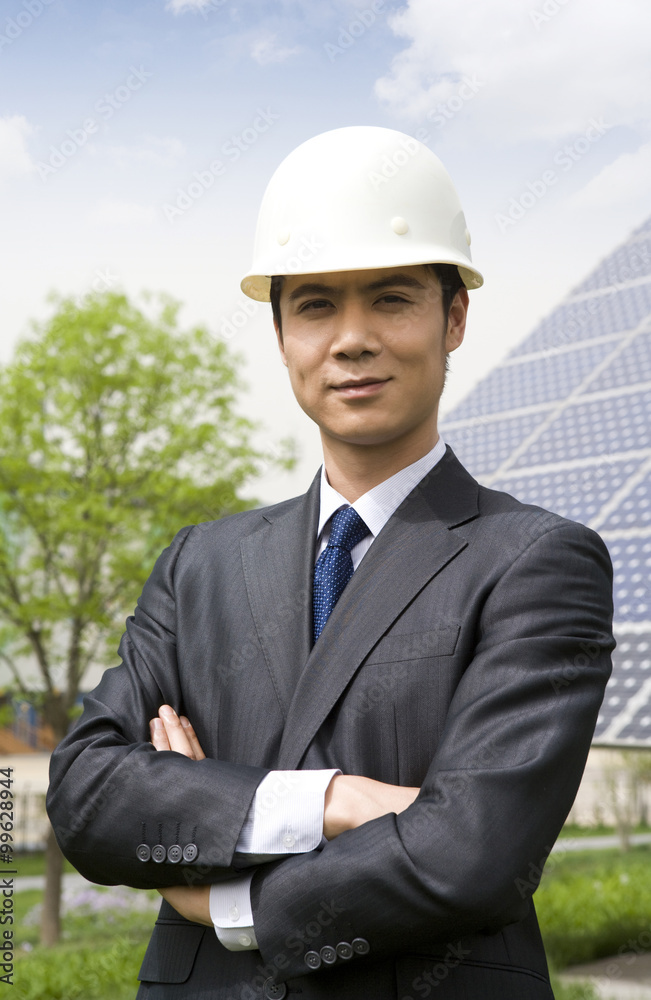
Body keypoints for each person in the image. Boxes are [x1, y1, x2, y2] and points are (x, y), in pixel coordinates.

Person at [47, 126, 614, 1000]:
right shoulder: (200, 563)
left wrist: (231, 898)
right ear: (280, 335)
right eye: (314, 306)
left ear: (452, 316)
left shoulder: (537, 562)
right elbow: (88, 795)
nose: (350, 339)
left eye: (390, 299)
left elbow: (473, 852)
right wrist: (334, 801)